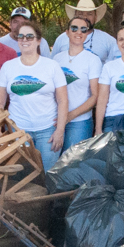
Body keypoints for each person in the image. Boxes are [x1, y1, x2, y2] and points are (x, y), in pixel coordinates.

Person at [0, 19, 69, 168]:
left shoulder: (52, 66)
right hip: (18, 131)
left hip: (48, 131)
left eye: (29, 36)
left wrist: (60, 131)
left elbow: (63, 101)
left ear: (39, 40)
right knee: (22, 177)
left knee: (48, 175)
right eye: (21, 37)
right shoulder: (8, 67)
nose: (24, 40)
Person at [54, 14, 102, 148]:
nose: (78, 32)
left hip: (80, 122)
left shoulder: (93, 60)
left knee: (72, 164)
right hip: (55, 119)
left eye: (83, 29)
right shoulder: (57, 59)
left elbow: (95, 96)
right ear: (67, 32)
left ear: (87, 34)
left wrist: (70, 116)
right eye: (74, 28)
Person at [50, 0, 118, 62]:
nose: (85, 17)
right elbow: (52, 65)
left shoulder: (108, 40)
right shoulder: (62, 39)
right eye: (80, 13)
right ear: (75, 15)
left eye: (89, 14)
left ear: (95, 17)